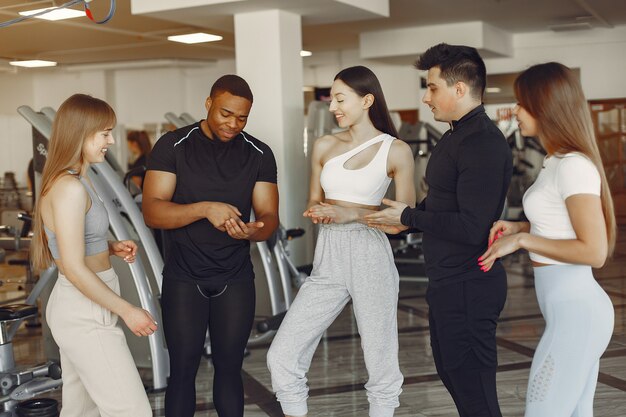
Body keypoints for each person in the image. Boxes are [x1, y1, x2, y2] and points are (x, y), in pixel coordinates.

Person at [366, 43, 513, 417]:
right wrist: (400, 218)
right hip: (447, 282)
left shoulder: (483, 143)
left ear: (459, 89)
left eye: (432, 87)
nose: (425, 96)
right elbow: (442, 203)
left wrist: (410, 218)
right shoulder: (453, 136)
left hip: (470, 285)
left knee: (475, 394)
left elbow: (470, 226)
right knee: (453, 376)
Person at [267, 65, 416, 417]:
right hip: (328, 254)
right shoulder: (324, 145)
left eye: (339, 98)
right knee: (282, 354)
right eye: (331, 99)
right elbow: (312, 201)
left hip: (370, 253)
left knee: (380, 361)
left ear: (367, 100)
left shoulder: (395, 151)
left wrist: (351, 215)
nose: (333, 106)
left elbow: (404, 221)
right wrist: (317, 212)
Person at [479, 62, 615, 417]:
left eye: (522, 104)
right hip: (569, 313)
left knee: (542, 410)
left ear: (546, 108)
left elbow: (594, 251)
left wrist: (524, 243)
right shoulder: (555, 161)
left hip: (578, 315)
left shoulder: (573, 166)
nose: (516, 111)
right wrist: (520, 228)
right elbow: (559, 225)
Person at [142, 74, 279, 417]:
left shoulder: (259, 153)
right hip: (184, 279)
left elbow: (269, 216)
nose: (234, 124)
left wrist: (254, 231)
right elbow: (153, 211)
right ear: (208, 104)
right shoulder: (173, 145)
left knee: (230, 371)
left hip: (234, 278)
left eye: (242, 117)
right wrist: (205, 208)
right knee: (182, 374)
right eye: (225, 114)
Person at [31, 93, 156, 417]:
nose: (111, 141)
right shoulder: (69, 187)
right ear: (81, 134)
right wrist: (128, 311)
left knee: (80, 411)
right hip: (84, 308)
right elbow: (72, 266)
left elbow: (71, 243)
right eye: (104, 133)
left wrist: (107, 246)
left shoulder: (78, 180)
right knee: (132, 411)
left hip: (85, 300)